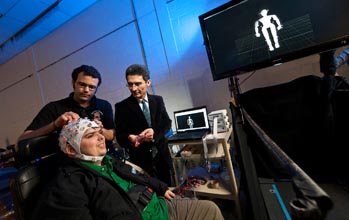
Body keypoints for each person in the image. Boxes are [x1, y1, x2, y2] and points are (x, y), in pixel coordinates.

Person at [30, 118, 224, 220]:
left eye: (99, 133)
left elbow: (138, 176)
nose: (100, 137)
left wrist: (160, 187)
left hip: (159, 204)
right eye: (91, 135)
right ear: (71, 149)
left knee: (210, 208)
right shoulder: (68, 186)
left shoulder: (107, 160)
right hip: (143, 215)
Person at [17, 65, 116, 154]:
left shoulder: (104, 105)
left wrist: (99, 129)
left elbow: (111, 135)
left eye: (91, 87)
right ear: (73, 83)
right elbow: (22, 138)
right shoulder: (54, 107)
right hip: (72, 163)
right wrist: (55, 124)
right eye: (82, 84)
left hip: (106, 157)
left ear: (97, 88)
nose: (86, 90)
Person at [114, 64, 173, 186]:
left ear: (148, 82)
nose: (133, 88)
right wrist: (130, 138)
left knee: (169, 191)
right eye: (130, 84)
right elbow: (120, 136)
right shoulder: (121, 107)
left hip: (162, 158)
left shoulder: (158, 100)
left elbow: (167, 123)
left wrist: (154, 132)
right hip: (141, 164)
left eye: (137, 83)